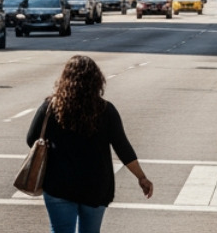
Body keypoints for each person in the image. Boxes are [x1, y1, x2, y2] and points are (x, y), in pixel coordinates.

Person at [25, 55, 152, 232]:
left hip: (58, 183)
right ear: (97, 81)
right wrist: (141, 177)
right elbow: (123, 148)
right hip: (95, 186)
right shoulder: (106, 110)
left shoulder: (51, 107)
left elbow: (31, 138)